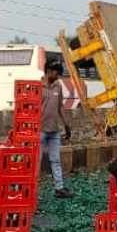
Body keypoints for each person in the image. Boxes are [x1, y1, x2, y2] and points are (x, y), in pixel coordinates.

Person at [40, 62, 75, 199]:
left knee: (55, 160)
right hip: (40, 130)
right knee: (36, 161)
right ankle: (33, 190)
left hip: (54, 130)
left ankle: (59, 188)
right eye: (56, 74)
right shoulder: (37, 87)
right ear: (48, 71)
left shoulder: (58, 87)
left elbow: (60, 106)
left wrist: (66, 124)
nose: (58, 77)